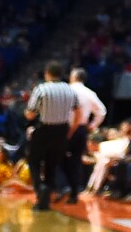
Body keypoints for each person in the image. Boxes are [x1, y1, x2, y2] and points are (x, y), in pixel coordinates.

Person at [25, 62, 78, 211]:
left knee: (34, 161)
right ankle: (46, 196)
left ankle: (39, 188)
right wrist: (70, 131)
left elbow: (30, 114)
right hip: (62, 130)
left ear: (47, 73)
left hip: (44, 129)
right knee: (51, 164)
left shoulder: (41, 89)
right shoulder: (70, 89)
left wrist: (28, 113)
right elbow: (77, 111)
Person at [59, 68, 107, 204]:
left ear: (74, 77)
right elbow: (102, 111)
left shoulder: (66, 90)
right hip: (81, 128)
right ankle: (74, 191)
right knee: (76, 160)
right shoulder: (89, 93)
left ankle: (64, 187)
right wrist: (91, 126)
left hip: (65, 127)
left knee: (59, 157)